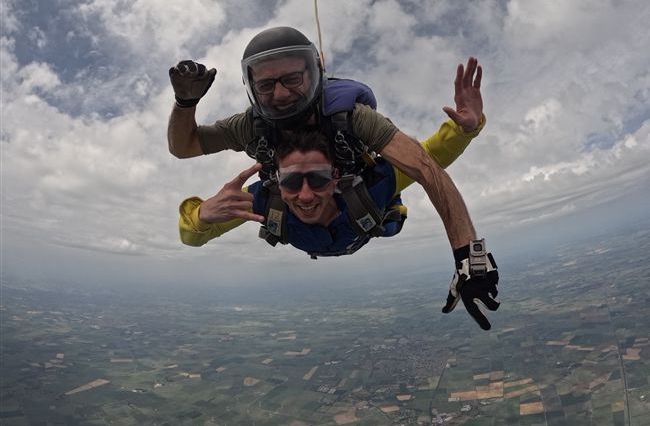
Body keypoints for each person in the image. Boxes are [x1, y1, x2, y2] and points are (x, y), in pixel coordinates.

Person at [168, 26, 483, 253]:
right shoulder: (253, 143)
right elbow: (184, 149)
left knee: (382, 210)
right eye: (265, 85)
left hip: (361, 201)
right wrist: (185, 103)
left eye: (292, 78)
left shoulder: (355, 124)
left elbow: (426, 164)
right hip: (336, 214)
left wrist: (463, 129)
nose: (280, 94)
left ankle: (383, 210)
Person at [178, 129, 499, 330]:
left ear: (335, 178)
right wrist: (203, 215)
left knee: (390, 221)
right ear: (277, 181)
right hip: (337, 235)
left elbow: (430, 157)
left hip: (363, 223)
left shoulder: (372, 185)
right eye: (292, 181)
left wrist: (464, 129)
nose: (305, 195)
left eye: (318, 179)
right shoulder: (262, 200)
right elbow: (191, 237)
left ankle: (389, 212)